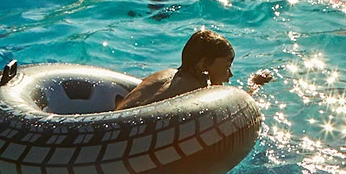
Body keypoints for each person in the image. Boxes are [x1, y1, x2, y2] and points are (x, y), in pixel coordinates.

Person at [114, 29, 273, 111]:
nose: (230, 74)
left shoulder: (166, 74)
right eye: (226, 67)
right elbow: (235, 106)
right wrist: (255, 85)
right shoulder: (194, 90)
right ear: (204, 64)